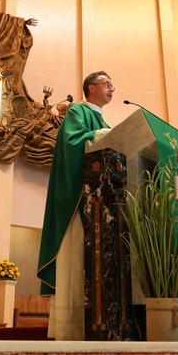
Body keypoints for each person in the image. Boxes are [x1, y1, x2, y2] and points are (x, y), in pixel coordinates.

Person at [36, 71, 114, 340]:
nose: (112, 88)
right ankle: (72, 327)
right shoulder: (77, 111)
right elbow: (71, 141)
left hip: (101, 205)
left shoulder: (101, 119)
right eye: (107, 84)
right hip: (80, 201)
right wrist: (101, 134)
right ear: (91, 88)